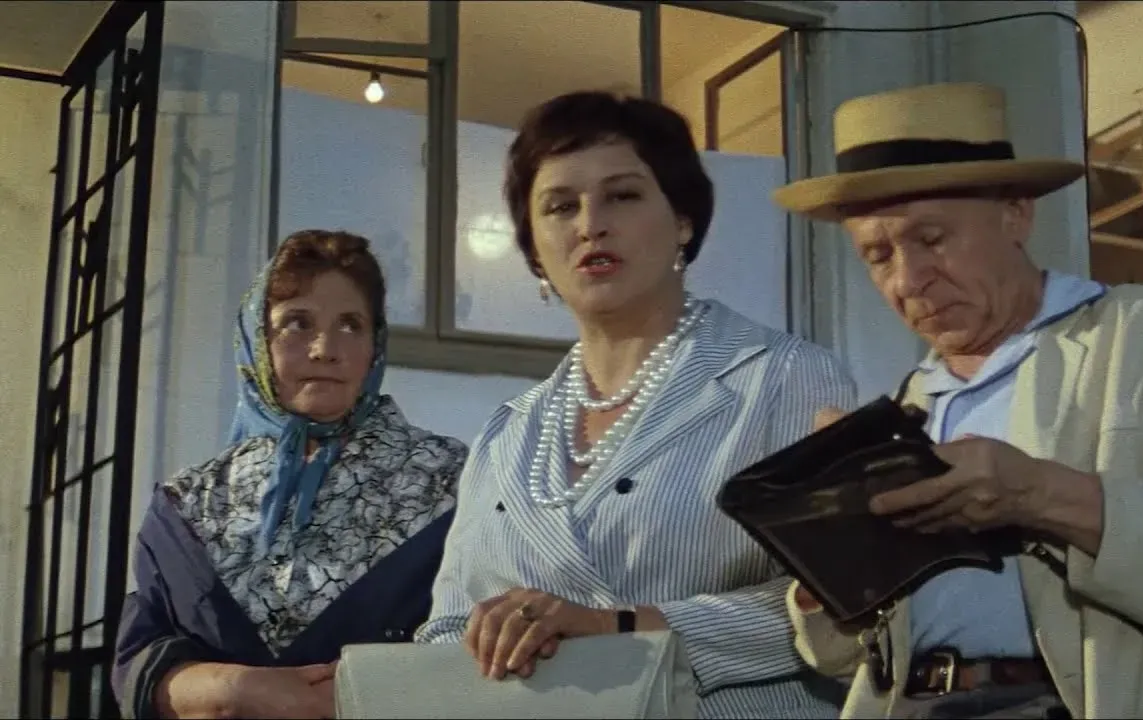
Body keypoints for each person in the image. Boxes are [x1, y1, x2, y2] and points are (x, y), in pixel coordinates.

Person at [772, 81, 1143, 718]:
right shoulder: (912, 400)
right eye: (877, 255)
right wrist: (826, 564)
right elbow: (851, 659)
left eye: (931, 238)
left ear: (1016, 213)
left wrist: (1036, 493)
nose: (907, 279)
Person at [414, 91, 859, 719]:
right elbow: (445, 627)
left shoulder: (785, 378)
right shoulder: (507, 433)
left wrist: (620, 627)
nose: (590, 224)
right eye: (560, 206)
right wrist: (483, 643)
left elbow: (840, 608)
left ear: (682, 220)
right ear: (534, 250)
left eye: (622, 196)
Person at [111, 230, 468, 719]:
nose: (325, 348)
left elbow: (479, 658)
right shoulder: (190, 502)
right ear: (257, 340)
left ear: (375, 345)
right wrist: (241, 689)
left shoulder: (452, 481)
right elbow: (140, 662)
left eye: (351, 325)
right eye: (297, 323)